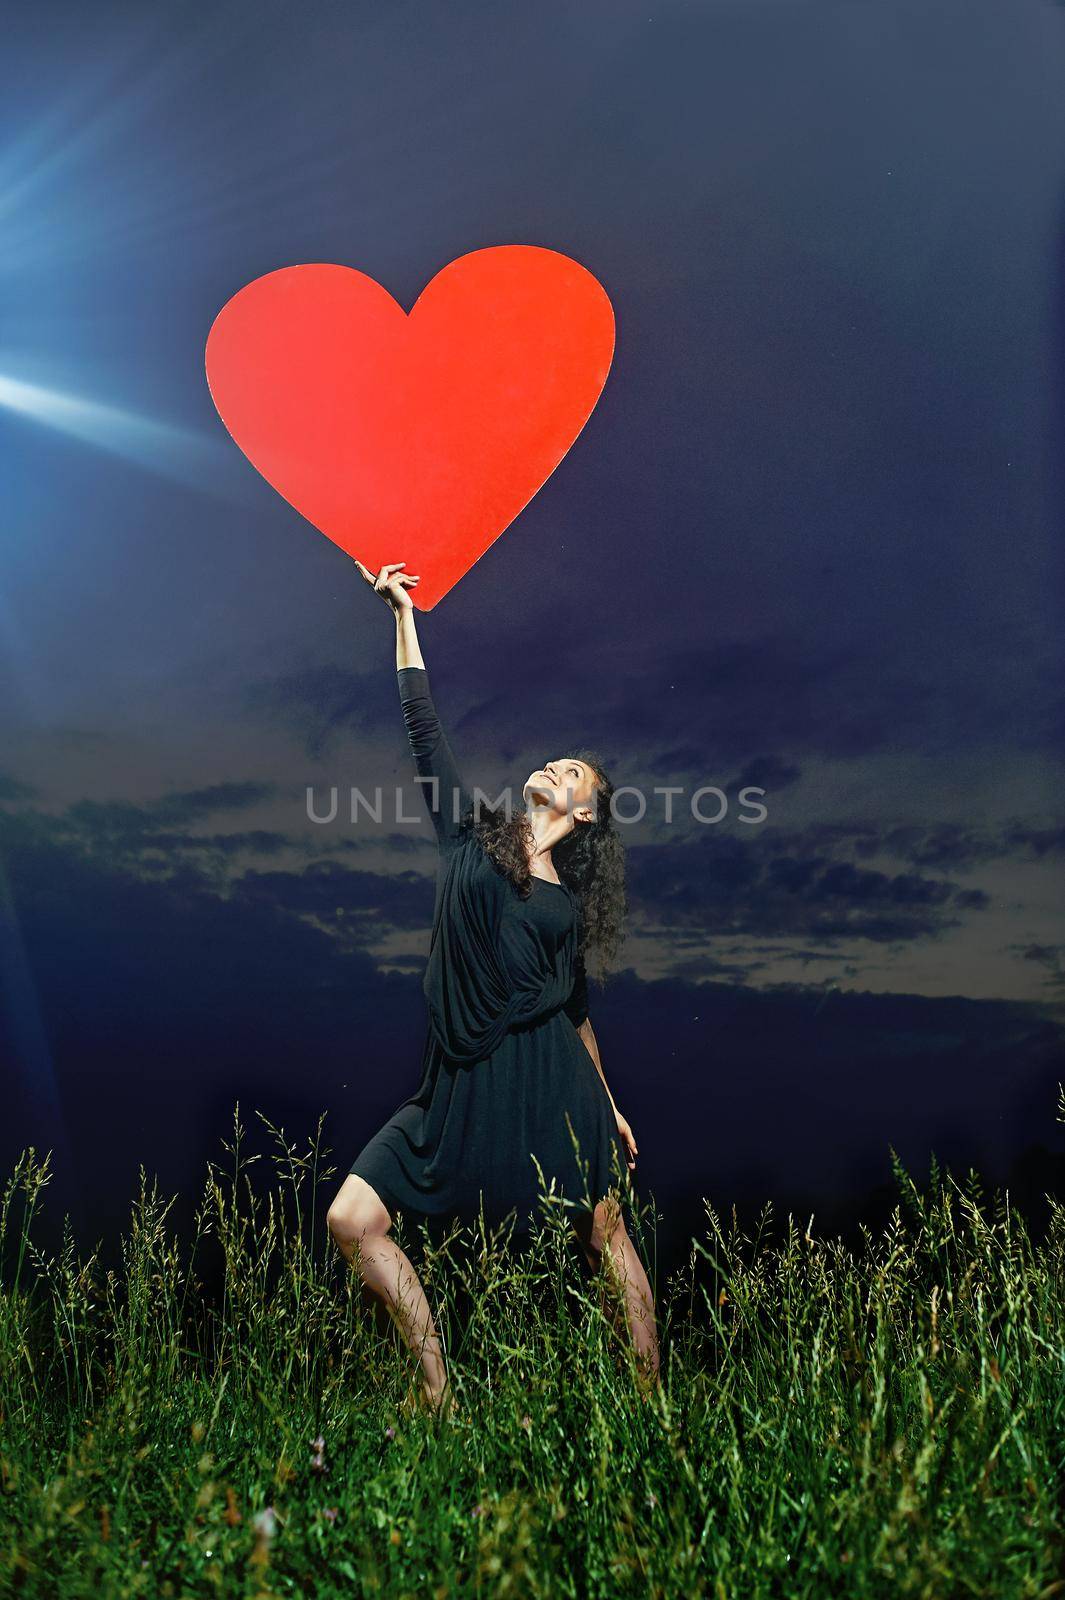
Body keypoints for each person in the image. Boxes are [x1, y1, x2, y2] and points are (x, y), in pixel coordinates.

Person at [326, 560, 659, 1412]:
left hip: (552, 1076)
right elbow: (421, 725)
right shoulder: (468, 838)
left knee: (603, 1233)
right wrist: (404, 617)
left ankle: (651, 1406)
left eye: (574, 771)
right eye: (556, 760)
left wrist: (610, 1102)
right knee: (352, 1220)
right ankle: (434, 1389)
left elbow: (576, 1011)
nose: (556, 765)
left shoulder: (564, 905)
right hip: (459, 1079)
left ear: (584, 812)